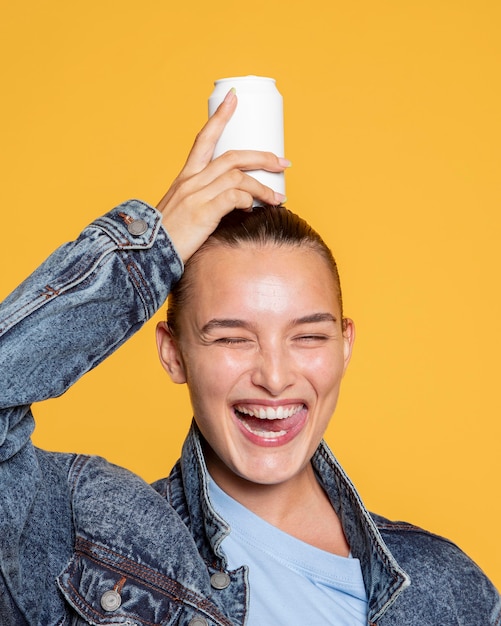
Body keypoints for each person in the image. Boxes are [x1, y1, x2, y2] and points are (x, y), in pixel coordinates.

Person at [0, 88, 499, 626]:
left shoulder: (446, 588)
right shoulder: (93, 543)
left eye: (308, 336)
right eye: (232, 338)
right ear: (174, 354)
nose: (275, 377)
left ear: (345, 345)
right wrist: (150, 247)